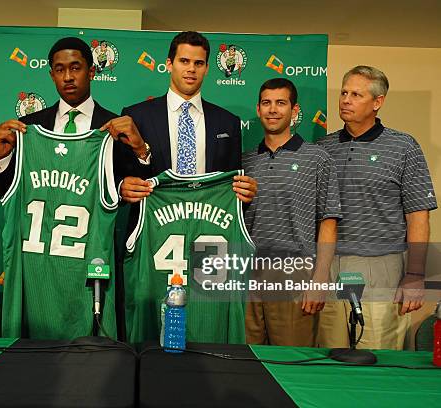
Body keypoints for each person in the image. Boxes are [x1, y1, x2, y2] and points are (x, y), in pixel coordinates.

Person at [0, 37, 146, 339]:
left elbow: (137, 185)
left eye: (75, 68)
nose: (67, 76)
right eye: (59, 69)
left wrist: (141, 151)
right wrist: (1, 156)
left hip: (90, 265)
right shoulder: (27, 127)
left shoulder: (113, 127)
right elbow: (6, 193)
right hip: (36, 266)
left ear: (91, 71)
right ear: (51, 74)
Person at [316, 65, 437, 350]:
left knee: (377, 357)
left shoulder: (404, 147)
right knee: (330, 356)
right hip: (330, 265)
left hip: (381, 267)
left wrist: (415, 275)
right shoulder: (323, 147)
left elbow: (418, 215)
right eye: (344, 92)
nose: (345, 99)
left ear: (377, 102)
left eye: (356, 94)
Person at [243, 78, 341, 347]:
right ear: (258, 109)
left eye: (280, 103)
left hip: (295, 273)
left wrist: (319, 280)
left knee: (291, 362)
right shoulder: (244, 161)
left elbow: (329, 222)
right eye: (266, 103)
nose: (273, 109)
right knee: (245, 360)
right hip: (247, 273)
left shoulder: (317, 158)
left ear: (294, 110)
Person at [117, 31, 257, 204]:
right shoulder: (137, 116)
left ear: (206, 69)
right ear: (169, 64)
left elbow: (232, 187)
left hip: (208, 224)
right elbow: (119, 176)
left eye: (198, 63)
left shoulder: (228, 122)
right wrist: (121, 187)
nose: (191, 69)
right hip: (151, 224)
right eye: (184, 61)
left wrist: (244, 195)